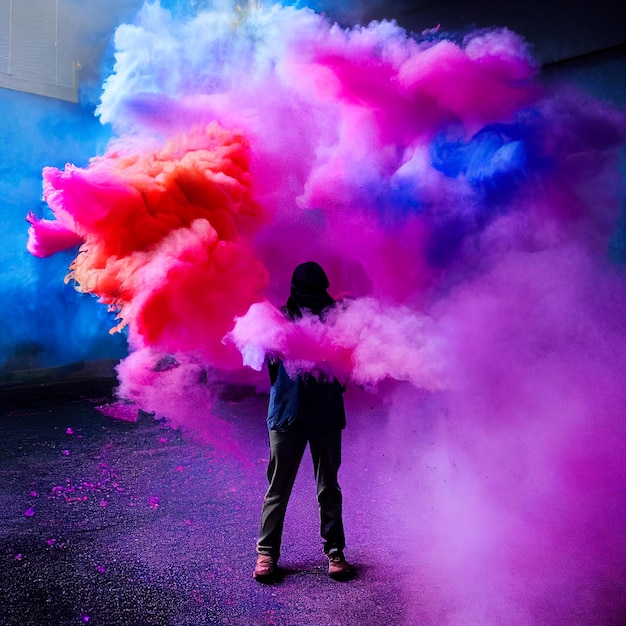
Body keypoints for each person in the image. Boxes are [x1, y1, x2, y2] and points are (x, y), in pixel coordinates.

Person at [253, 261, 355, 582]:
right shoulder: (277, 322)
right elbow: (263, 362)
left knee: (328, 488)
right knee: (278, 489)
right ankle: (266, 554)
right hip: (287, 415)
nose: (316, 298)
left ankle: (334, 551)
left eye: (318, 291)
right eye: (310, 292)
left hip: (324, 415)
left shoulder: (337, 322)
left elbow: (347, 367)